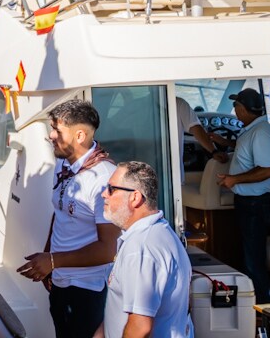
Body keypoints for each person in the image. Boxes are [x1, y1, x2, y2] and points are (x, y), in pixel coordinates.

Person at [17, 99, 119, 338]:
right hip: (61, 280)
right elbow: (60, 212)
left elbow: (109, 249)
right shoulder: (63, 163)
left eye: (57, 130)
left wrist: (52, 261)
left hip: (88, 290)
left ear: (80, 135)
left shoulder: (103, 178)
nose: (50, 135)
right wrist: (49, 259)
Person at [97, 161, 193, 338]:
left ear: (135, 197)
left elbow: (140, 327)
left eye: (111, 189)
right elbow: (120, 309)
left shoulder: (141, 248)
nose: (104, 194)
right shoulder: (158, 232)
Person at [215, 88, 270, 303]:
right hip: (249, 203)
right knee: (249, 254)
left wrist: (235, 179)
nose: (235, 112)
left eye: (236, 107)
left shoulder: (261, 133)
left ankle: (263, 306)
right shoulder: (253, 130)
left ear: (242, 108)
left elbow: (267, 170)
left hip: (256, 205)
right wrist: (228, 145)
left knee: (254, 259)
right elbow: (249, 152)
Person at [175, 96, 225, 170]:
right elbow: (196, 128)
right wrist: (214, 151)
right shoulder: (178, 103)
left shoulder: (177, 103)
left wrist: (225, 142)